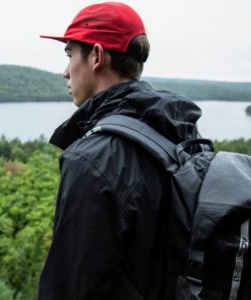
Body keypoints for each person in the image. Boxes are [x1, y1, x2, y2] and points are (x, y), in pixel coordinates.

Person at [38, 2, 203, 299]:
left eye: (69, 54)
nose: (65, 72)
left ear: (97, 56)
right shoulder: (177, 133)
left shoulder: (92, 160)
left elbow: (70, 287)